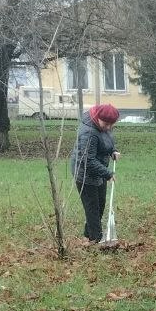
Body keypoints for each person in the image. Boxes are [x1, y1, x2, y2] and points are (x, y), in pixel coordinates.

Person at [69, 103, 121, 244]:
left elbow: (107, 141)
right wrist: (108, 174)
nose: (108, 127)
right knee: (93, 208)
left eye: (112, 124)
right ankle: (96, 240)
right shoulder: (88, 133)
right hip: (84, 173)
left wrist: (112, 151)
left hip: (99, 171)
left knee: (101, 204)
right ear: (98, 118)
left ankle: (89, 234)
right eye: (106, 124)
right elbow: (87, 160)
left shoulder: (103, 126)